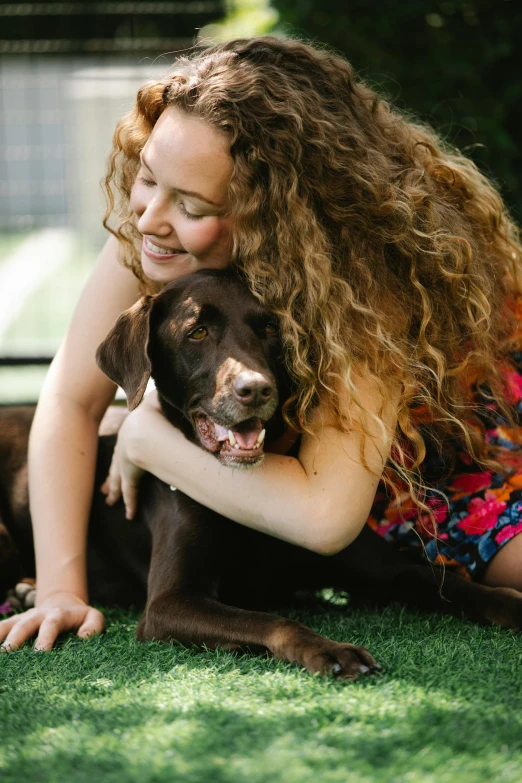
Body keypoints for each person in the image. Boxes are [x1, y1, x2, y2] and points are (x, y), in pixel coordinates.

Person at [2, 35, 522, 653]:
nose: (147, 218)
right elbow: (70, 402)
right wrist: (62, 588)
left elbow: (326, 517)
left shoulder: (362, 287)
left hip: (447, 462)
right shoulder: (159, 240)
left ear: (272, 214)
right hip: (292, 474)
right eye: (147, 178)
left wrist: (148, 439)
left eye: (191, 203)